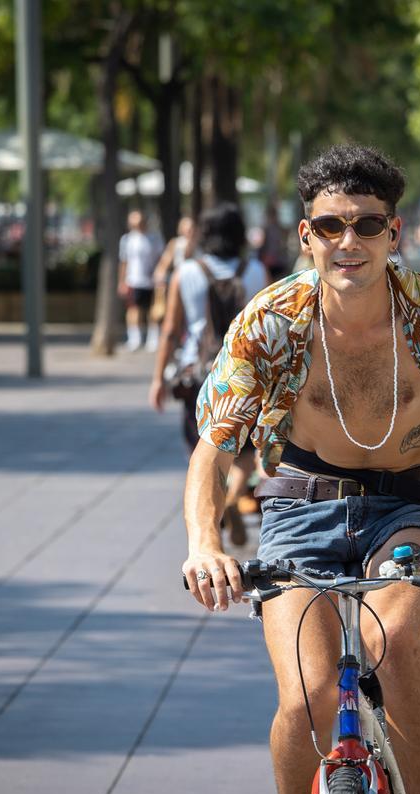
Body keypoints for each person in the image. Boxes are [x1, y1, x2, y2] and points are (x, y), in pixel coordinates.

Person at [180, 144, 420, 794]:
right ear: (306, 236)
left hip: (411, 505)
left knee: (396, 636)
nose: (347, 241)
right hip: (299, 506)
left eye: (367, 224)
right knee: (308, 700)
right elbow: (213, 446)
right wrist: (204, 544)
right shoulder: (271, 322)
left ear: (394, 232)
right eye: (330, 226)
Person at [149, 204, 270, 546]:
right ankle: (233, 497)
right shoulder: (256, 272)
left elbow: (171, 330)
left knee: (202, 449)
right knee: (245, 450)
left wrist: (158, 378)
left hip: (198, 376)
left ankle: (212, 515)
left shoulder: (186, 272)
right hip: (248, 374)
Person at [117, 210, 161, 352]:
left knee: (152, 311)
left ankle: (153, 339)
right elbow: (123, 262)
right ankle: (134, 339)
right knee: (133, 310)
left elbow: (161, 259)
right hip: (133, 280)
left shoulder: (154, 239)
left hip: (151, 281)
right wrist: (122, 281)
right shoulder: (127, 239)